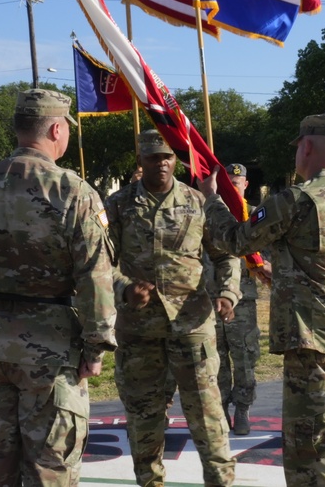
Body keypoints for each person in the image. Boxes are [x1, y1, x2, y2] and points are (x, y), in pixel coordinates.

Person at [0, 88, 132, 487]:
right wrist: (96, 347)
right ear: (56, 129)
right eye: (66, 128)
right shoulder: (73, 192)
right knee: (49, 471)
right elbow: (95, 279)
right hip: (51, 355)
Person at [199, 113, 325, 486]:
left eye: (298, 146)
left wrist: (211, 198)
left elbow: (235, 240)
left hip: (312, 348)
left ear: (307, 147)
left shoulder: (296, 200)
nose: (297, 153)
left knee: (310, 458)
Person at [104, 129, 238, 487]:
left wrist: (227, 293)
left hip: (192, 326)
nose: (160, 163)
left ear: (176, 159)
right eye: (152, 157)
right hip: (139, 330)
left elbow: (225, 256)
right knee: (144, 418)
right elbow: (101, 262)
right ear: (140, 160)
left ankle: (221, 482)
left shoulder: (196, 202)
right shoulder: (118, 205)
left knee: (208, 418)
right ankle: (149, 482)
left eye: (166, 156)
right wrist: (124, 289)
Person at [215, 163, 270, 436]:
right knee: (216, 358)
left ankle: (243, 409)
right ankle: (222, 408)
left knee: (245, 357)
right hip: (213, 296)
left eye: (237, 183)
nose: (233, 187)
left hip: (244, 298)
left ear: (245, 185)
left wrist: (264, 265)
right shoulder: (212, 214)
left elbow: (267, 252)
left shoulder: (257, 215)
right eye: (229, 183)